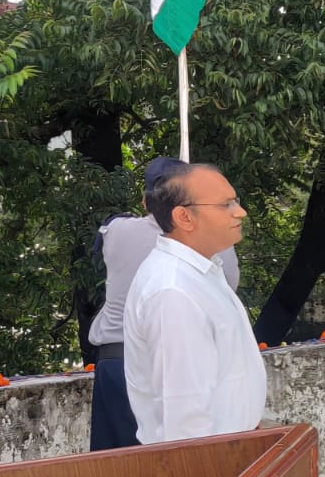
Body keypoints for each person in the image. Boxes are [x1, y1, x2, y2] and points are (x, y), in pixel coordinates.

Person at [88, 156, 241, 450]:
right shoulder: (216, 242)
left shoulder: (118, 232)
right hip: (185, 364)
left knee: (118, 469)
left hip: (119, 365)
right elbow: (227, 291)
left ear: (147, 201)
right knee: (176, 461)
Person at [124, 162, 264, 443]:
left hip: (232, 451)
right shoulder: (173, 290)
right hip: (208, 461)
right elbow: (184, 417)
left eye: (235, 201)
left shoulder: (201, 272)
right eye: (226, 205)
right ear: (184, 217)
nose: (240, 212)